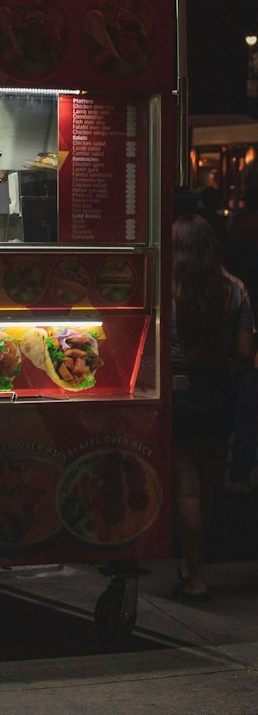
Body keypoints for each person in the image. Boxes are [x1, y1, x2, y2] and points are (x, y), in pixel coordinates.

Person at [170, 212, 257, 601]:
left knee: (185, 488)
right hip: (220, 390)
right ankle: (194, 564)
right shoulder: (235, 290)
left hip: (179, 390)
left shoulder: (166, 288)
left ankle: (196, 573)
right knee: (208, 489)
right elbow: (244, 352)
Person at [226, 186, 258, 493]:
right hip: (246, 332)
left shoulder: (236, 229)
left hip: (233, 334)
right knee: (247, 408)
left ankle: (235, 469)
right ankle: (241, 470)